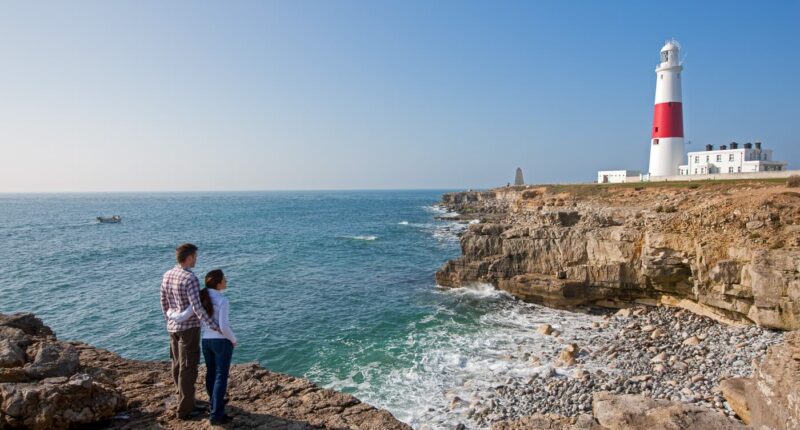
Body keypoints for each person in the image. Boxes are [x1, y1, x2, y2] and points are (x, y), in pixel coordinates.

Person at [160, 243, 221, 420]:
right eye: (195, 256)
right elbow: (197, 307)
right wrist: (213, 325)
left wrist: (169, 321)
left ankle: (185, 399)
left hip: (173, 328)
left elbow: (163, 301)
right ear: (188, 258)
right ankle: (185, 409)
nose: (196, 259)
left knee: (177, 364)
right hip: (189, 329)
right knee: (188, 368)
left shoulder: (168, 274)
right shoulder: (190, 279)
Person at [199, 269, 237, 425]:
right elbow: (224, 327)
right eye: (224, 279)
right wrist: (233, 340)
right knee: (221, 377)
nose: (226, 281)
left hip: (205, 340)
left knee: (211, 373)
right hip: (221, 342)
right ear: (218, 283)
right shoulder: (222, 300)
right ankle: (216, 415)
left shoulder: (201, 296)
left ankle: (213, 404)